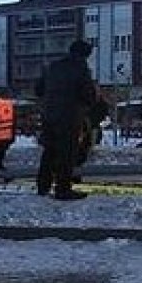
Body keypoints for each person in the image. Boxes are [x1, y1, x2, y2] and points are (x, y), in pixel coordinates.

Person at [35, 40, 98, 200]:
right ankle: (63, 189)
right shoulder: (81, 68)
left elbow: (38, 89)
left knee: (49, 151)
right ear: (85, 54)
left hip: (49, 116)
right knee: (67, 154)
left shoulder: (52, 66)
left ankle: (43, 186)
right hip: (69, 117)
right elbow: (89, 95)